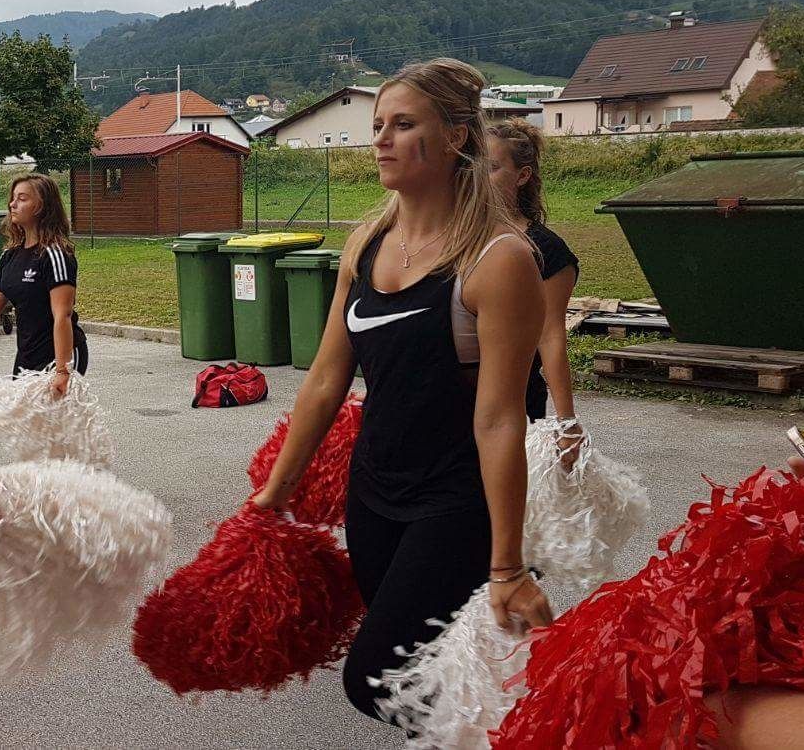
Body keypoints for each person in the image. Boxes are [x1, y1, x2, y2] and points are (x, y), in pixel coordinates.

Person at [248, 58, 553, 726]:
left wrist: (507, 565)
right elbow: (326, 380)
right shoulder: (367, 242)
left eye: (403, 124)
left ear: (456, 136)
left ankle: (515, 734)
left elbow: (501, 420)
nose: (381, 139)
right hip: (374, 494)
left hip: (453, 503)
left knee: (375, 678)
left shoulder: (497, 259)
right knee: (430, 669)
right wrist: (275, 491)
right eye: (378, 125)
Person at [488, 119, 586, 458]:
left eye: (491, 168)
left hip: (512, 405)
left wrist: (567, 422)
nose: (477, 177)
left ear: (523, 175)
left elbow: (550, 335)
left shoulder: (547, 251)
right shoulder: (455, 239)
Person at [0, 173, 87, 397]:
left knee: (46, 418)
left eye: (22, 198)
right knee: (24, 417)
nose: (12, 204)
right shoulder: (10, 256)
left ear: (41, 206)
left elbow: (63, 314)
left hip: (60, 356)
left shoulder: (55, 254)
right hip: (27, 354)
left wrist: (63, 370)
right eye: (13, 198)